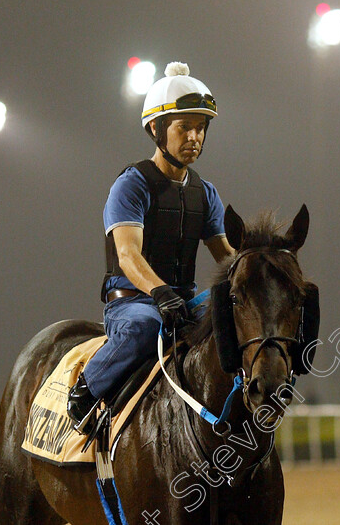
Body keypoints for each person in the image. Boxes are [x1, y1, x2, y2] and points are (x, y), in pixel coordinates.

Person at [67, 62, 235, 433]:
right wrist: (159, 292)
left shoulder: (205, 193)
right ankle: (85, 390)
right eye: (184, 127)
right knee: (147, 326)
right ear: (156, 130)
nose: (195, 137)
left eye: (201, 128)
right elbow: (127, 254)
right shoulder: (131, 185)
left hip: (183, 303)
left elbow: (226, 255)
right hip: (133, 304)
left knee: (236, 314)